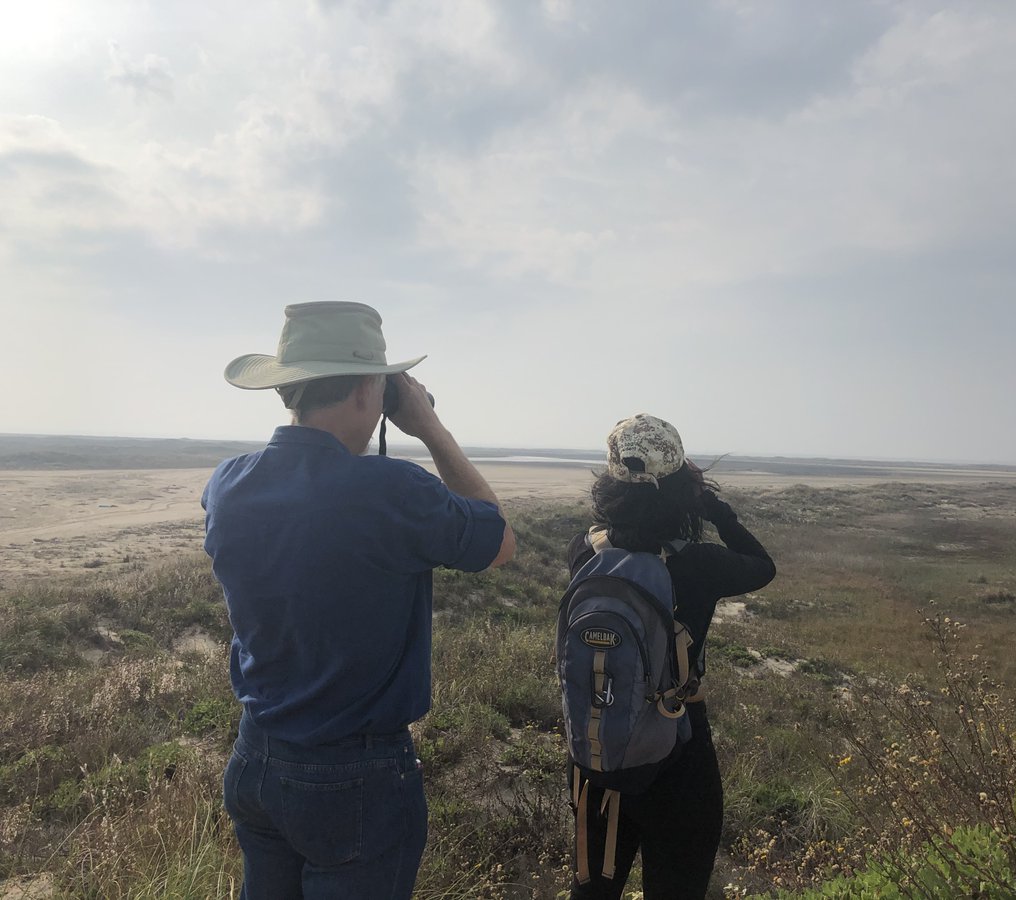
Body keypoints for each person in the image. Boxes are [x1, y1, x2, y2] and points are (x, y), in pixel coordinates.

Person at [202, 301, 516, 900]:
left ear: (286, 388)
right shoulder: (393, 491)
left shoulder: (228, 482)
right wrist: (429, 427)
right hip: (355, 777)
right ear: (371, 390)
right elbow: (499, 541)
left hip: (256, 756)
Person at [565, 413, 776, 899]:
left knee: (592, 890)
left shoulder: (584, 551)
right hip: (679, 745)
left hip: (599, 741)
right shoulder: (698, 564)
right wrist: (714, 508)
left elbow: (613, 532)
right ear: (683, 483)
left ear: (609, 480)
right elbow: (763, 566)